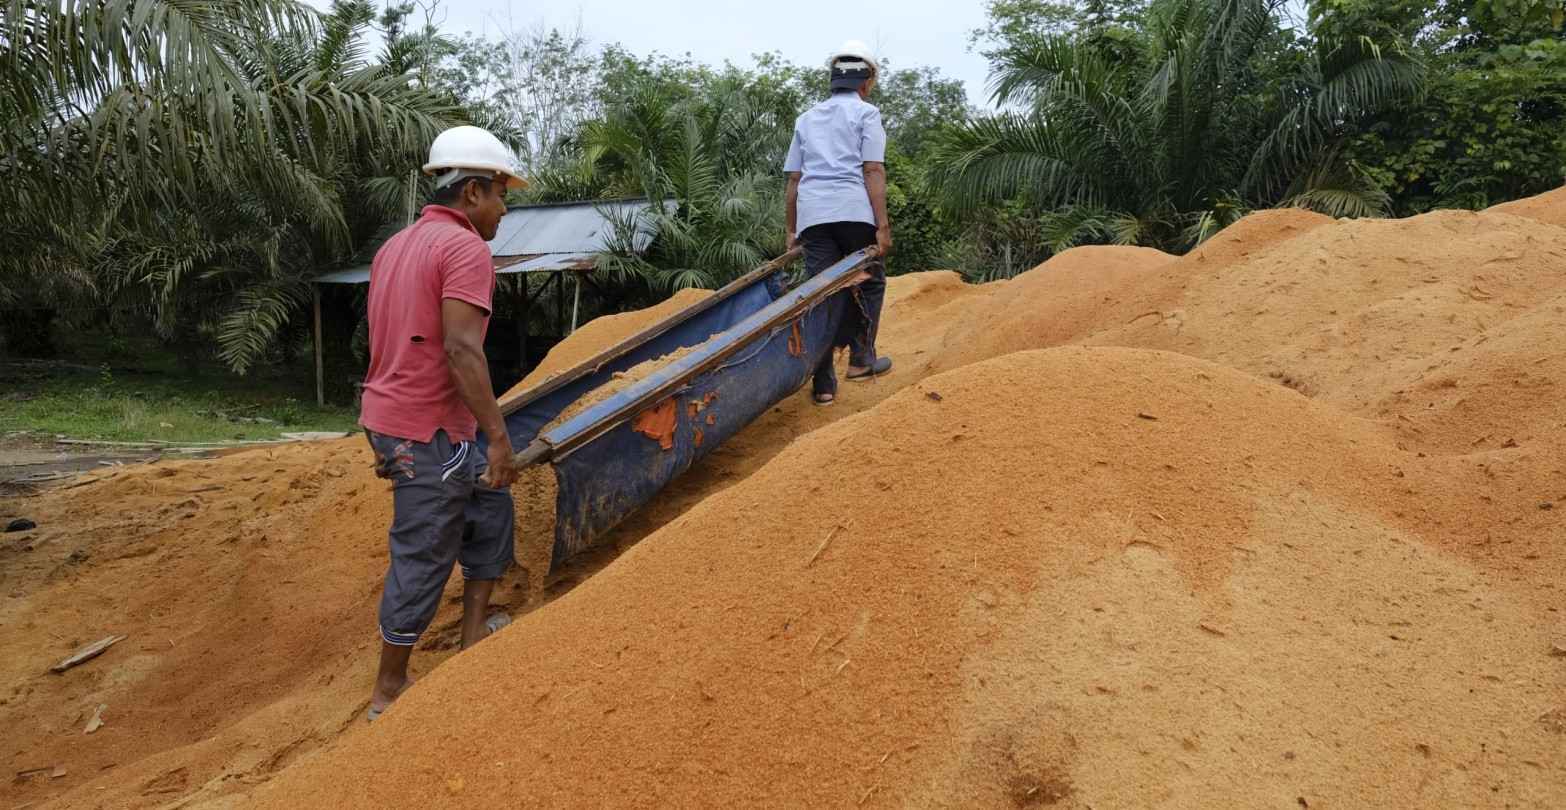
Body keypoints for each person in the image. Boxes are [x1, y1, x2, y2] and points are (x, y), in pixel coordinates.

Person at [358, 125, 527, 721]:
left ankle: (473, 631)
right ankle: (389, 689)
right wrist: (501, 438)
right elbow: (461, 348)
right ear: (474, 192)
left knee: (489, 503)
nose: (505, 209)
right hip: (425, 429)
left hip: (400, 418)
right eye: (503, 195)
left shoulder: (396, 246)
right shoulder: (465, 249)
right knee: (425, 549)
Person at [783, 38, 895, 407]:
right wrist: (882, 225)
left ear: (833, 82)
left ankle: (824, 385)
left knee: (820, 292)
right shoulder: (867, 114)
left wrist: (790, 230)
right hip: (854, 211)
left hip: (814, 217)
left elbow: (794, 181)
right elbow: (873, 170)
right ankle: (862, 359)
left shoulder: (807, 118)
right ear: (866, 84)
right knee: (871, 282)